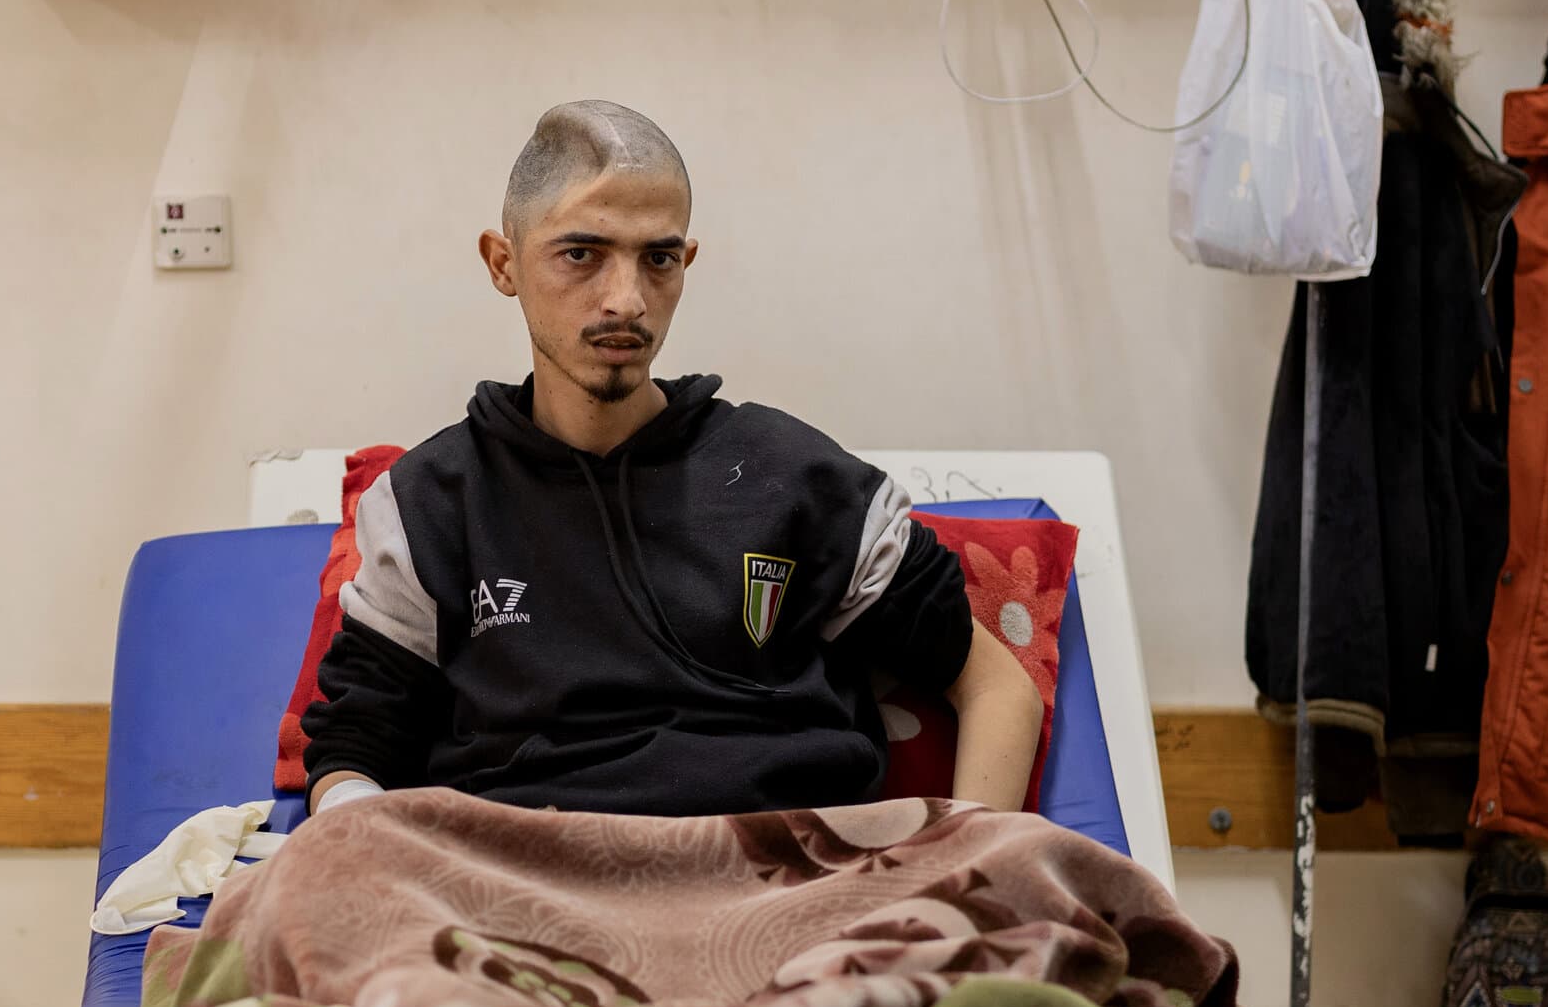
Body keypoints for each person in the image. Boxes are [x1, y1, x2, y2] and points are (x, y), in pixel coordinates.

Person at [303, 100, 1043, 820]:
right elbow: (357, 747)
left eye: (657, 259)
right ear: (504, 263)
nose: (626, 300)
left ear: (686, 262)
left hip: (793, 881)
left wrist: (967, 866)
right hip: (525, 886)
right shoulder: (433, 502)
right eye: (581, 254)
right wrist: (362, 854)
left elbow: (995, 688)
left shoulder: (791, 476)